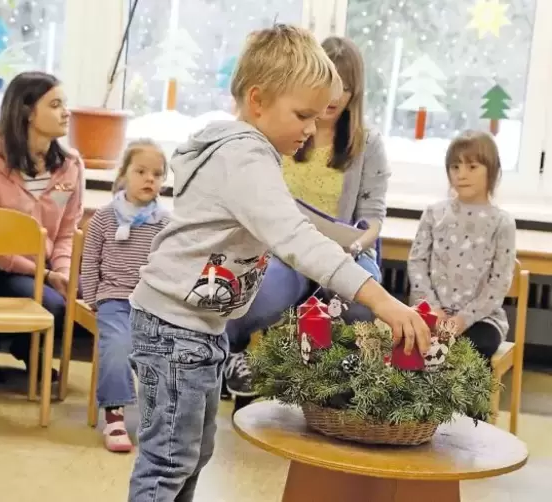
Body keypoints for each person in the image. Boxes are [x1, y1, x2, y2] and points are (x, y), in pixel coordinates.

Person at [126, 24, 431, 502]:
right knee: (168, 464)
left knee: (191, 455)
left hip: (197, 327)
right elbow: (295, 238)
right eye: (303, 114)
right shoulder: (244, 156)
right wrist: (383, 301)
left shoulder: (247, 152)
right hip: (175, 329)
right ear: (257, 100)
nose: (311, 128)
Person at [223, 35, 390, 397]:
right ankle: (232, 356)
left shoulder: (367, 143)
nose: (336, 96)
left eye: (345, 87)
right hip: (286, 250)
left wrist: (357, 244)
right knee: (256, 297)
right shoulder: (283, 130)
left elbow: (374, 214)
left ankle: (341, 390)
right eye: (330, 85)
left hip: (344, 250)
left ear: (355, 92)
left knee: (364, 307)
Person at [0, 71, 84, 384]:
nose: (66, 112)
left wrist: (63, 272)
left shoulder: (71, 165)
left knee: (72, 294)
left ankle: (23, 346)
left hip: (43, 269)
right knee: (49, 301)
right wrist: (43, 274)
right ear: (27, 111)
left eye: (65, 104)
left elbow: (67, 232)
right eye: (55, 104)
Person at [80, 139, 169, 453]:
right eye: (141, 171)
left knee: (169, 350)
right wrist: (92, 297)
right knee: (117, 345)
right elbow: (90, 260)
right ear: (123, 175)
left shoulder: (166, 223)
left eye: (157, 174)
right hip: (114, 299)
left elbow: (170, 266)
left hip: (153, 303)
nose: (149, 179)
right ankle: (114, 415)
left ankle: (159, 418)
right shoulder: (105, 218)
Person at [408, 130, 516, 361]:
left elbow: (498, 284)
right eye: (455, 167)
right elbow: (417, 264)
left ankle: (459, 396)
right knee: (409, 338)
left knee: (473, 347)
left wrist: (462, 320)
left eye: (472, 167)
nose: (461, 174)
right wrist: (433, 310)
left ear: (492, 171)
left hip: (480, 321)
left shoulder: (502, 223)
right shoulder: (433, 213)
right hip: (430, 313)